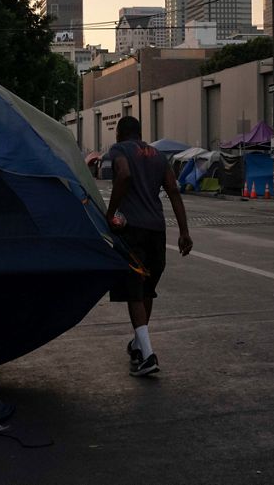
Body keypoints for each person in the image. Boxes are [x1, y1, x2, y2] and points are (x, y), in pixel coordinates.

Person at [104, 116, 192, 377]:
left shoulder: (120, 150)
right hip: (157, 229)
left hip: (132, 230)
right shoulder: (157, 155)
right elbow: (174, 192)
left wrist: (111, 213)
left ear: (119, 134)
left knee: (134, 292)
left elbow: (124, 174)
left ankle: (148, 356)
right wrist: (184, 232)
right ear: (140, 134)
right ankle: (138, 345)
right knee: (147, 290)